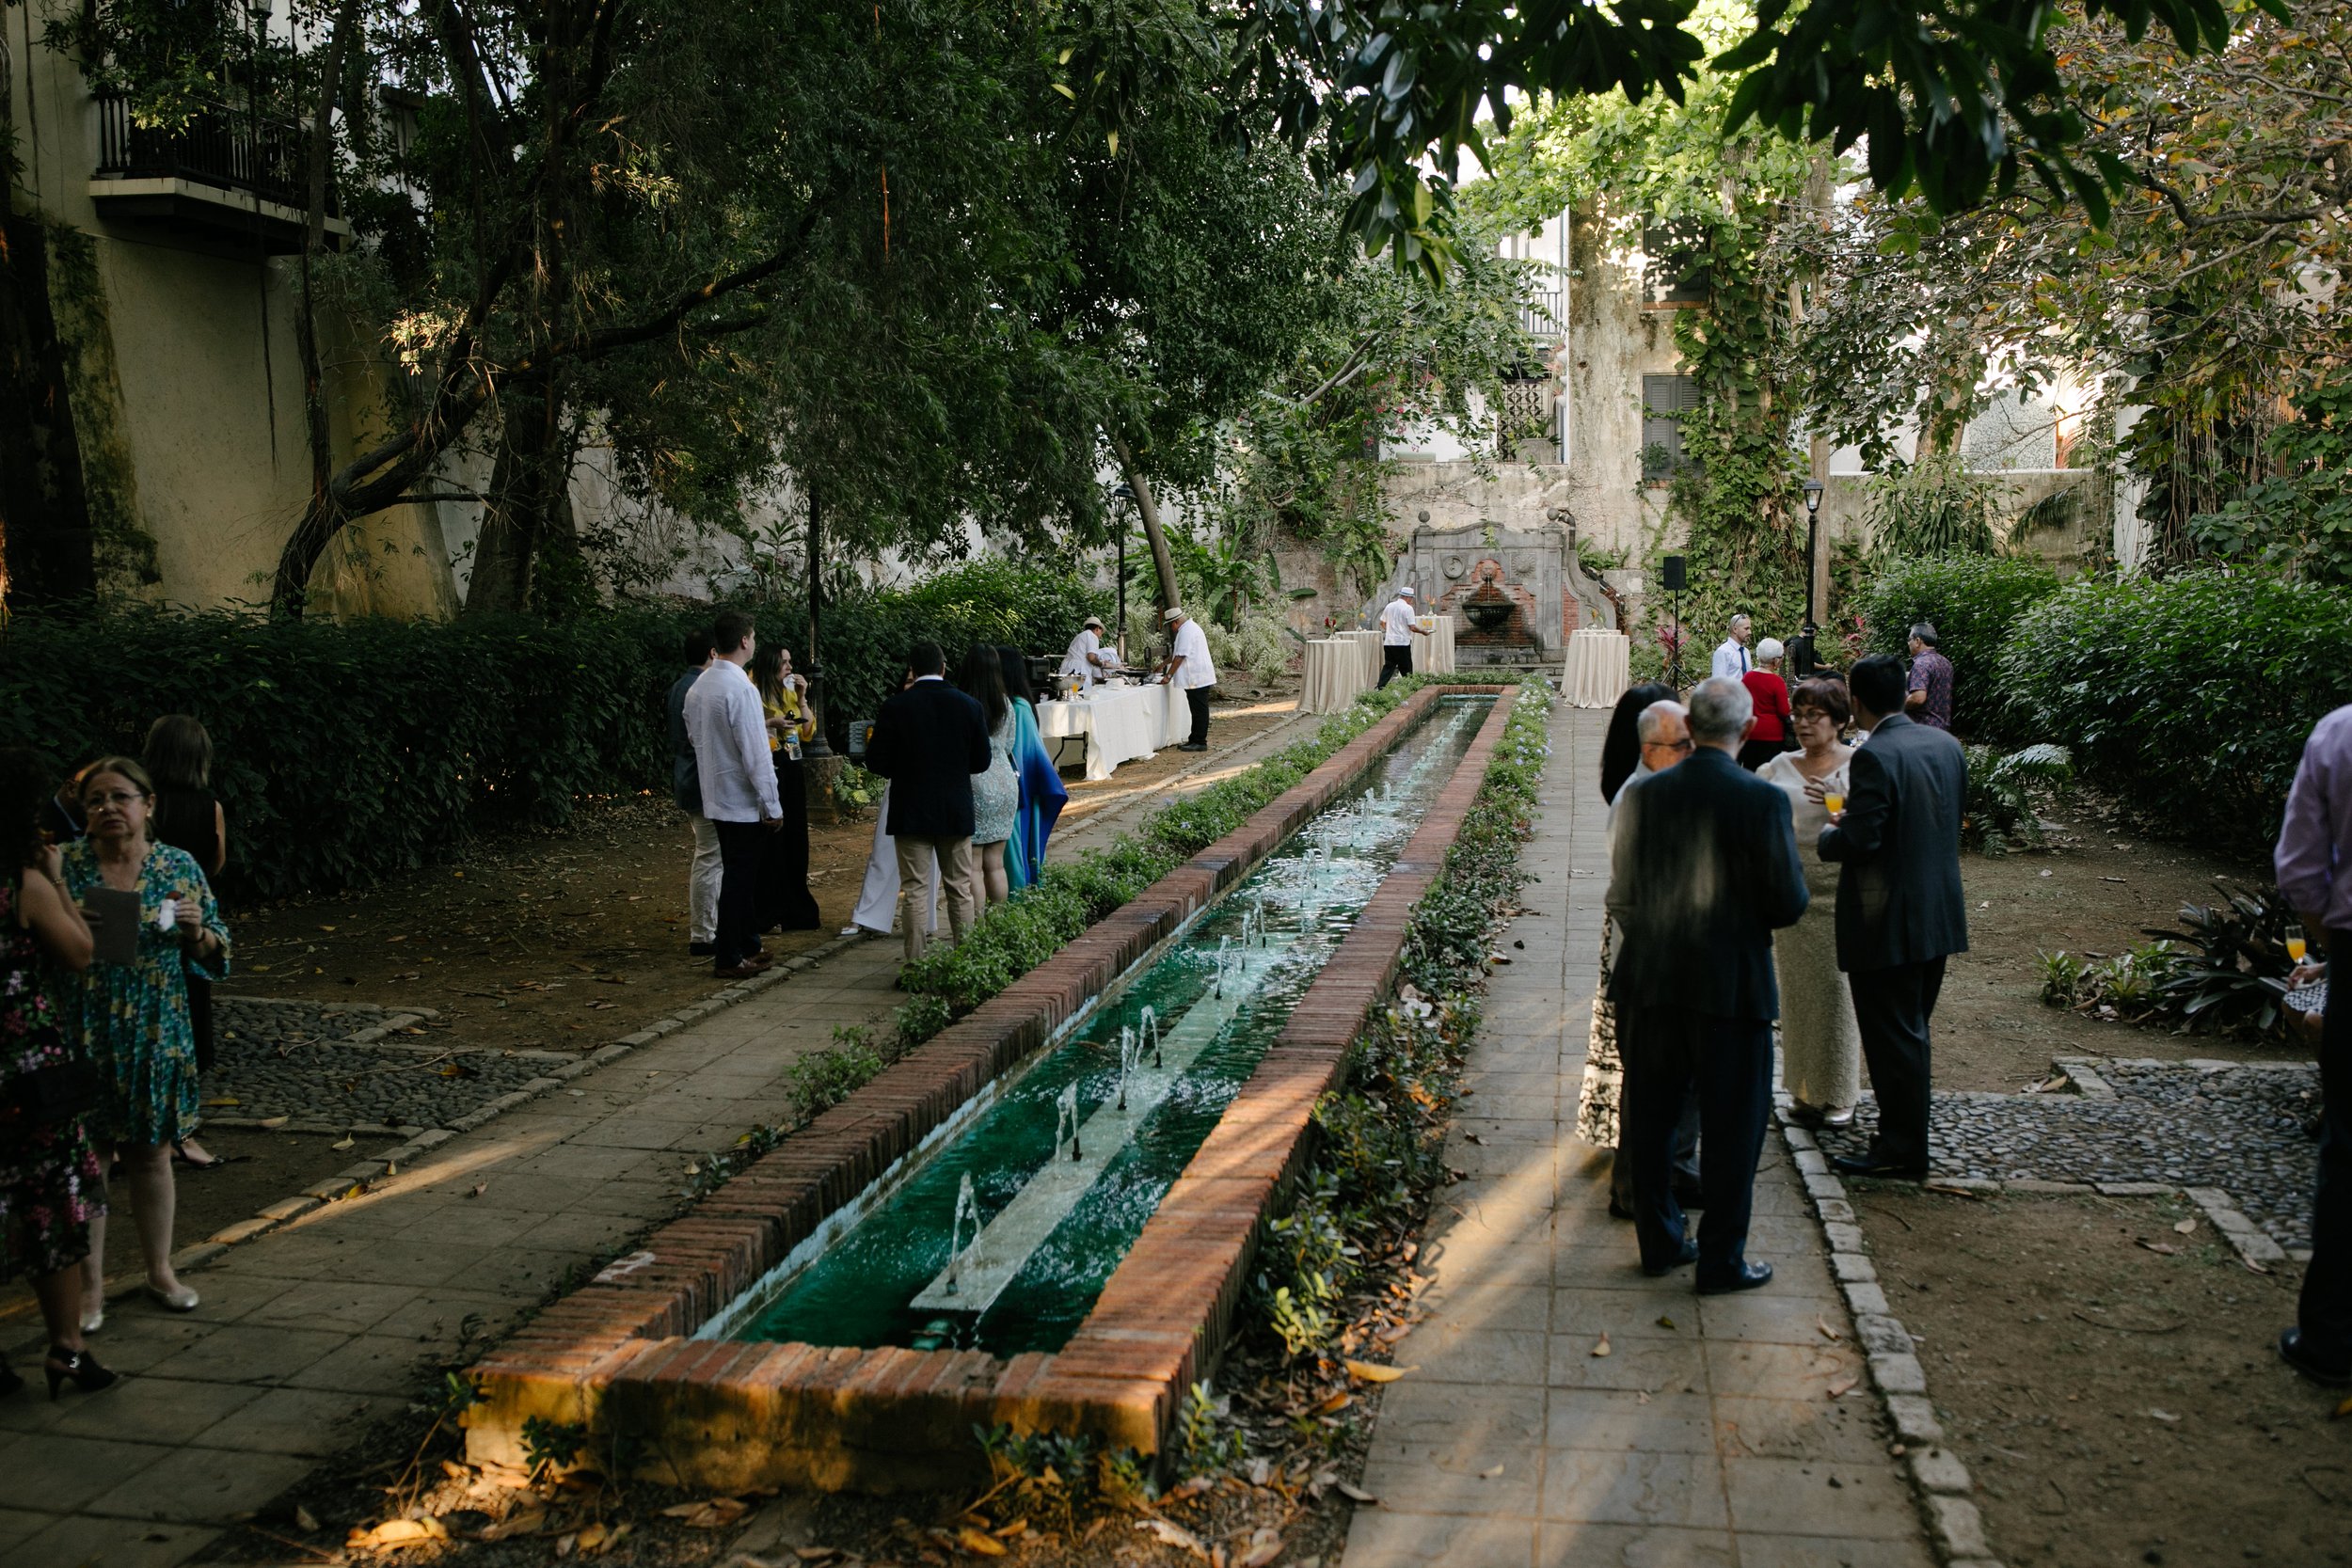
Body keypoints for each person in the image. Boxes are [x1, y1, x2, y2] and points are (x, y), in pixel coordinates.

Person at [1609, 679, 1807, 1291]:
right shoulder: (1764, 800)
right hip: (1731, 988)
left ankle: (1660, 1242)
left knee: (1651, 1116)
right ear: (1748, 732)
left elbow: (1623, 894)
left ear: (1688, 730)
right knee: (1733, 1128)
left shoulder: (1643, 795)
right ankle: (1721, 1259)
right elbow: (1788, 902)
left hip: (1652, 981)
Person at [58, 756, 228, 1323]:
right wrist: (68, 925)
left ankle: (160, 1271)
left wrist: (196, 931)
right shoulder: (64, 868)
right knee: (90, 1158)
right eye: (95, 800)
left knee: (153, 1155)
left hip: (157, 1034)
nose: (108, 808)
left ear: (147, 804)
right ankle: (90, 1290)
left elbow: (220, 950)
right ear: (83, 813)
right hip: (83, 1030)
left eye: (121, 797)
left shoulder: (178, 867)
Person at [1818, 653, 1968, 1179]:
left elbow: (1861, 840)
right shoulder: (1946, 745)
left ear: (1855, 702)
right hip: (1940, 912)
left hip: (1887, 920)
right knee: (1911, 1033)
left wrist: (1827, 835)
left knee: (1893, 1040)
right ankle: (1903, 1139)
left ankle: (1902, 1151)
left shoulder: (1874, 757)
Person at [0, 748, 116, 1399]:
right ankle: (67, 1349)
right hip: (25, 1073)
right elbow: (80, 951)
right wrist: (59, 880)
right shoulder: (21, 881)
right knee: (49, 1204)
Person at [1577, 693, 1704, 1221]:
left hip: (1638, 942)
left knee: (1648, 1064)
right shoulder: (1644, 794)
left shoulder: (1639, 785)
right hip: (1650, 946)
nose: (1693, 751)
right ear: (1651, 744)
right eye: (1684, 742)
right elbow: (1632, 891)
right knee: (1654, 1069)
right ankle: (1645, 1181)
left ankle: (1652, 1172)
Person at [2271, 704, 2352, 1386]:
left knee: (2349, 1146)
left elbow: (2300, 867)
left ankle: (2330, 1336)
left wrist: (2331, 947)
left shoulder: (2339, 732)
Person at [1758, 679, 1864, 1125]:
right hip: (1791, 893)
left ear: (1839, 721)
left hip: (1839, 891)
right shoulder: (1776, 767)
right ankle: (1803, 1090)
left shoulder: (1860, 765)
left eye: (1813, 716)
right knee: (1799, 999)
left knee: (1838, 995)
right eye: (1797, 715)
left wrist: (1840, 811)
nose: (1802, 724)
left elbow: (1872, 827)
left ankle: (1840, 1094)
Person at [141, 715, 233, 1173]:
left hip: (143, 923)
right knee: (191, 1024)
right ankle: (183, 1128)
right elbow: (215, 866)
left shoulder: (142, 806)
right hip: (191, 925)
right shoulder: (209, 806)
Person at [865, 641, 990, 962]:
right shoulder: (968, 706)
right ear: (944, 667)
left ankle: (916, 965)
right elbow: (981, 761)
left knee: (916, 890)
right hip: (954, 808)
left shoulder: (896, 706)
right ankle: (966, 961)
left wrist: (907, 769)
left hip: (911, 808)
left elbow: (876, 762)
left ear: (913, 670)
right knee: (959, 888)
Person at [683, 611, 781, 980]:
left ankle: (743, 944)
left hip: (714, 793)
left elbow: (695, 738)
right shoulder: (741, 689)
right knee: (740, 877)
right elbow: (756, 754)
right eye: (753, 637)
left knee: (735, 873)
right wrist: (771, 802)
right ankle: (728, 953)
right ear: (744, 641)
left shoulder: (700, 687)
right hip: (741, 798)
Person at [749, 642, 822, 934]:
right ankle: (767, 908)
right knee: (771, 839)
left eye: (791, 661)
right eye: (785, 663)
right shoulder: (752, 690)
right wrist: (771, 722)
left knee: (795, 837)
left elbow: (806, 732)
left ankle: (795, 906)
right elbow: (749, 727)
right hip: (770, 764)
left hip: (792, 765)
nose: (790, 667)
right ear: (770, 666)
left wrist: (803, 697)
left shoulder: (790, 691)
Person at [667, 629, 722, 958]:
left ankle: (707, 928)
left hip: (688, 778)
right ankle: (703, 933)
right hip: (700, 781)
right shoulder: (697, 688)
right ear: (713, 654)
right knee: (710, 857)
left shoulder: (680, 686)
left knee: (709, 855)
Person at [996, 645, 1066, 891]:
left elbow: (1024, 755)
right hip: (1019, 786)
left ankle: (1017, 893)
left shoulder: (1018, 707)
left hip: (1022, 789)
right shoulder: (1016, 704)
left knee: (1017, 849)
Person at [960, 646, 1020, 907]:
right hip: (1005, 781)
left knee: (973, 866)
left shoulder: (963, 702)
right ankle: (999, 921)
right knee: (996, 864)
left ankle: (978, 927)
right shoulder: (1007, 703)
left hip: (975, 781)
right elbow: (1008, 746)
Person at [1163, 607, 1216, 752]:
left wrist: (1169, 675)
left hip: (1196, 677)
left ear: (1176, 622)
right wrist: (1162, 664)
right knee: (1196, 709)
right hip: (1196, 676)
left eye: (1171, 625)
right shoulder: (1188, 628)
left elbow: (1180, 656)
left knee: (1199, 710)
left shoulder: (1187, 631)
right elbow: (1176, 654)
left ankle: (1200, 741)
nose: (1171, 629)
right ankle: (1194, 738)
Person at [1738, 639, 1794, 770]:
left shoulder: (1747, 677)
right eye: (1781, 658)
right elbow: (1783, 711)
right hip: (1772, 734)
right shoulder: (1776, 681)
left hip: (1750, 731)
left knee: (1750, 769)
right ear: (1775, 660)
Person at [1904, 623, 1955, 731]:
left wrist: (1896, 706)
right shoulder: (1945, 662)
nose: (1908, 643)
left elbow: (1918, 698)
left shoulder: (1921, 664)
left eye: (1909, 639)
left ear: (1917, 641)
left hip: (1922, 729)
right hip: (1942, 728)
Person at [1375, 586, 1429, 688]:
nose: (1411, 601)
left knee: (1388, 667)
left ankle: (1379, 688)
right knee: (1406, 669)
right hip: (1402, 643)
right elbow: (1412, 627)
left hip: (1389, 642)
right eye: (1411, 598)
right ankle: (1410, 688)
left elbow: (1382, 622)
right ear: (1408, 598)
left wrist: (1389, 630)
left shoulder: (1389, 606)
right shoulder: (1408, 608)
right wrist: (1423, 632)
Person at [1059, 616, 1115, 692]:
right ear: (1097, 628)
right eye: (1101, 632)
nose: (1101, 636)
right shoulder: (1092, 636)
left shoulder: (1080, 636)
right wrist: (1102, 664)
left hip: (1068, 670)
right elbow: (1091, 658)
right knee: (1076, 695)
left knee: (1068, 695)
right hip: (1077, 673)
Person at [1710, 613, 1754, 682]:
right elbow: (1717, 682)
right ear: (1735, 629)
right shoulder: (1723, 652)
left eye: (1750, 629)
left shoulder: (1746, 652)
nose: (1749, 632)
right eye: (1746, 629)